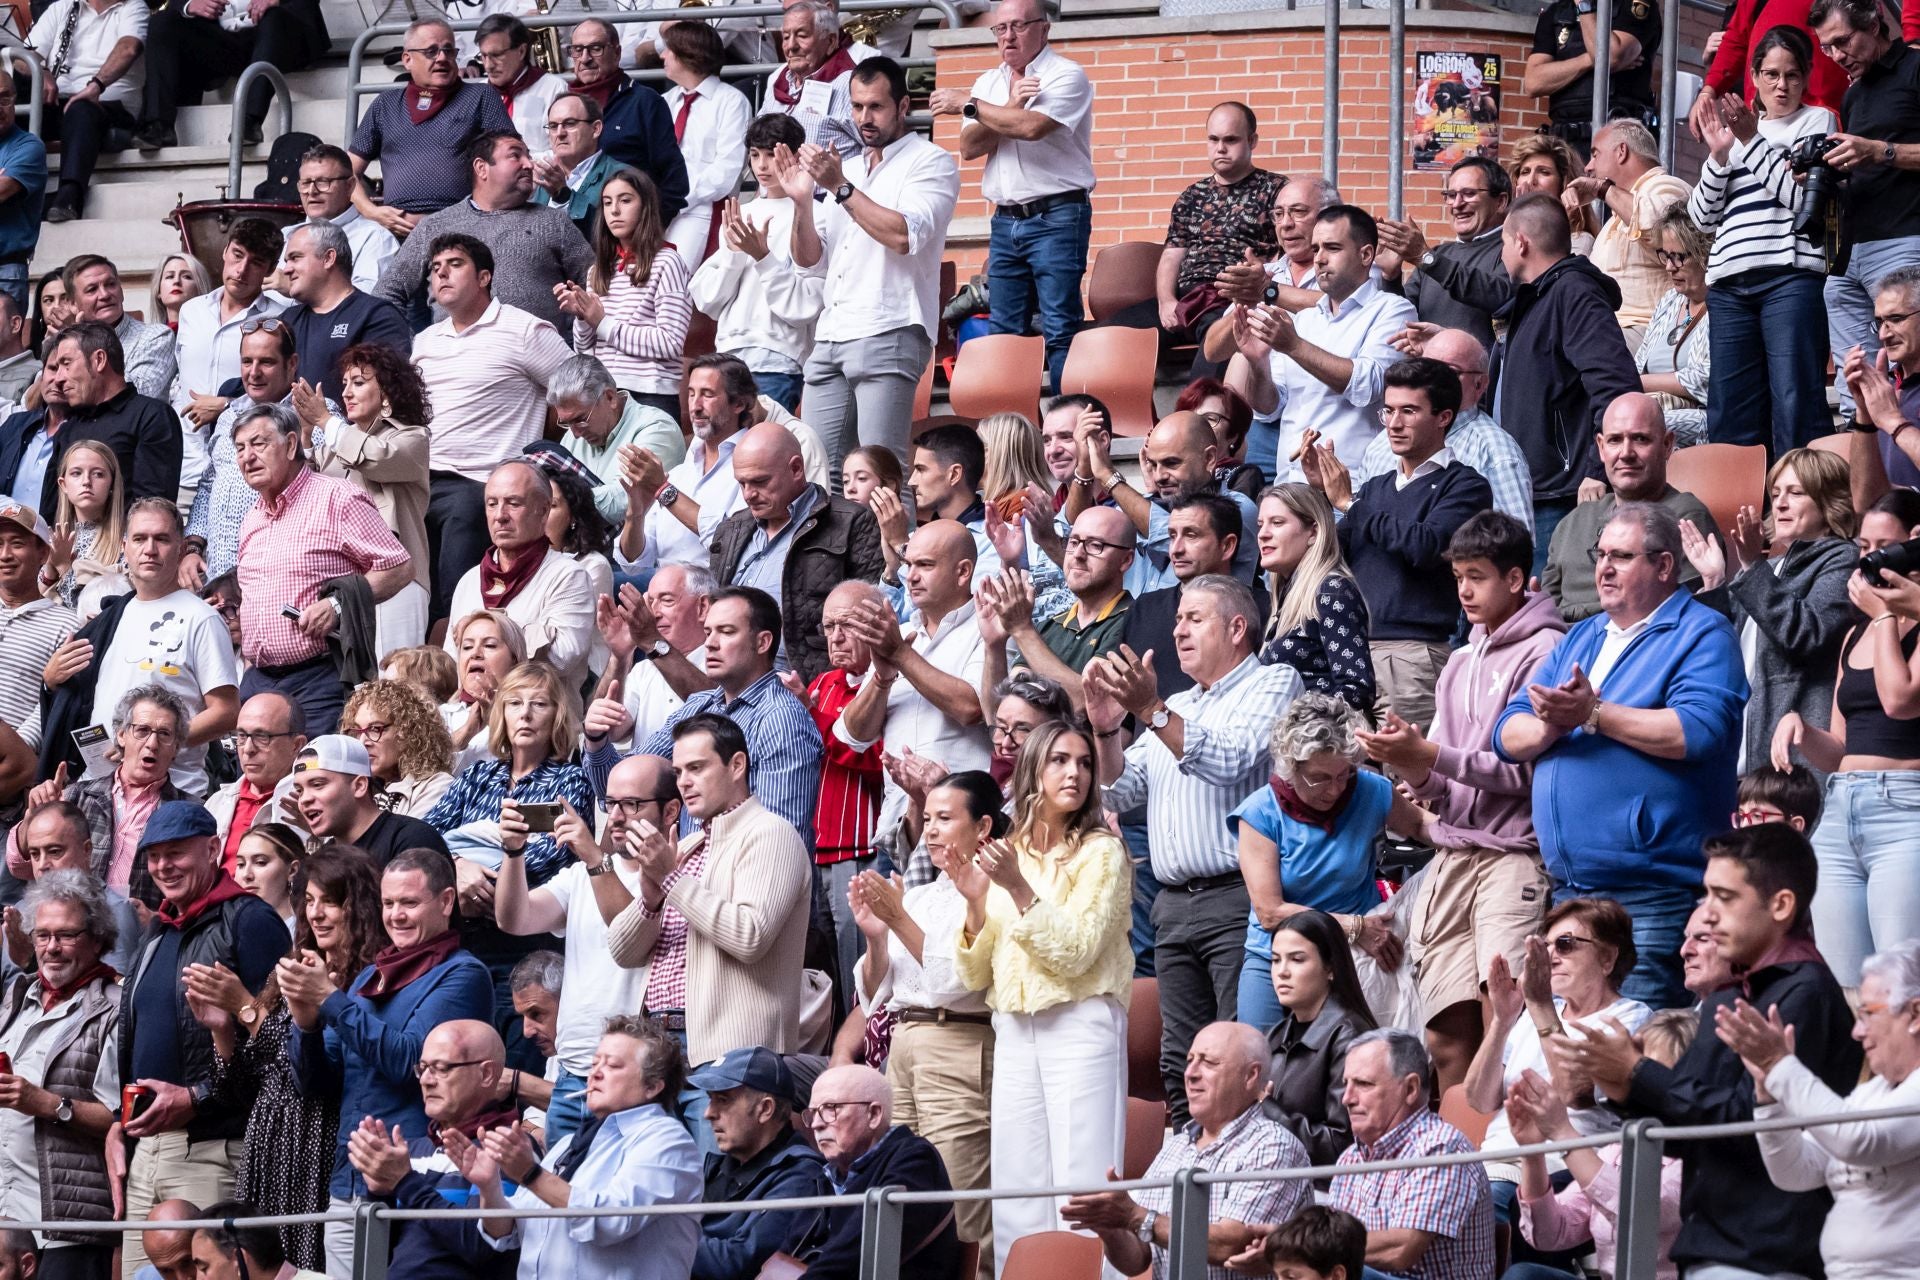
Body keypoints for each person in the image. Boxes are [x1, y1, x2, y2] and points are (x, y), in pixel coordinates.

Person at [1551, 824, 1863, 1280]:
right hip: (1708, 1246)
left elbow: (1753, 1129)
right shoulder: (1727, 995)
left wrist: (1638, 1074)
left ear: (1781, 905)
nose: (1708, 915)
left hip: (1767, 1254)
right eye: (1707, 895)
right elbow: (1686, 1128)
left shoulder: (1806, 991)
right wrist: (1621, 1085)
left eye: (1725, 897)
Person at [1497, 503, 1745, 1007]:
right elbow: (1508, 732)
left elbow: (1697, 731)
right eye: (1601, 555)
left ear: (1664, 565)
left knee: (1635, 1046)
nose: (1604, 569)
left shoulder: (1703, 632)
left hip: (1651, 895)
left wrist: (1592, 714)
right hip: (1570, 894)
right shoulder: (1584, 635)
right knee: (1570, 1044)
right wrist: (1555, 723)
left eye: (1622, 557)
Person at [1356, 511, 1562, 1087]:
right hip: (1452, 858)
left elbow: (1529, 775)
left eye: (1477, 577)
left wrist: (1430, 755)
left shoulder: (1547, 650)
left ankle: (1508, 1139)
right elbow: (1441, 791)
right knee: (1444, 1035)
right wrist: (1408, 762)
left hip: (1512, 856)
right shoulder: (1459, 661)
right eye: (1458, 578)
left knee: (1506, 1015)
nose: (1464, 591)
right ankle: (1457, 1137)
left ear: (1516, 578)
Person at [1087, 574, 1300, 1118]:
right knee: (1182, 1061)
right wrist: (1106, 731)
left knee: (1240, 1053)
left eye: (1194, 619)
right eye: (1178, 619)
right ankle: (1188, 1164)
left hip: (1240, 899)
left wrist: (1152, 712)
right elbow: (1119, 791)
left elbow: (1229, 760)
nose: (1178, 630)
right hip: (1171, 904)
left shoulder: (1274, 682)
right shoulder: (1178, 703)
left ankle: (1247, 1163)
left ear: (1237, 628)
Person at [951, 718, 1132, 1273]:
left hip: (1081, 1021)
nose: (1075, 772)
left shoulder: (1102, 853)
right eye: (1059, 760)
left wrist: (1016, 888)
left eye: (1084, 763)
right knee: (1017, 1187)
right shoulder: (1007, 851)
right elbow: (975, 974)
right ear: (1032, 770)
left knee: (1082, 1181)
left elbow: (1076, 951)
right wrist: (975, 906)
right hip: (1012, 1026)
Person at [286, 845, 492, 1275]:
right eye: (388, 903)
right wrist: (305, 1024)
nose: (396, 916)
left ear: (446, 902)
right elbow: (317, 1085)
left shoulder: (463, 973)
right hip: (349, 1177)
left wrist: (330, 1000)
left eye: (409, 903)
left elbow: (411, 1063)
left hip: (416, 1180)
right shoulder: (370, 975)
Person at [184, 845, 385, 1274]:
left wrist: (246, 1009)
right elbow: (244, 1089)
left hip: (317, 1142)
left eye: (331, 901)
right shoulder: (290, 968)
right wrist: (222, 1030)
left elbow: (310, 1073)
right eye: (309, 901)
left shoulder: (371, 976)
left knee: (305, 1269)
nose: (317, 914)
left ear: (361, 906)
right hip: (267, 1142)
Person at [117, 801, 287, 1278]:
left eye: (176, 853)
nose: (163, 866)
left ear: (213, 849)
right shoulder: (159, 927)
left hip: (213, 1146)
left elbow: (279, 1044)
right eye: (154, 856)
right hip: (148, 1147)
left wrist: (199, 1095)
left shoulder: (250, 920)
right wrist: (117, 1120)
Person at [779, 56, 960, 473]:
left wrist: (839, 187)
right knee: (820, 474)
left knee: (882, 472)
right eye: (857, 106)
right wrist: (802, 203)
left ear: (903, 106)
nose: (864, 118)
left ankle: (895, 524)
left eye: (876, 106)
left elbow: (903, 236)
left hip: (889, 326)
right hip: (831, 332)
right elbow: (810, 260)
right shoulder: (849, 168)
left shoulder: (930, 160)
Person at [605, 713, 813, 1074]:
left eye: (697, 768)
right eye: (678, 772)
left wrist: (671, 879)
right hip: (658, 1044)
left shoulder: (770, 833)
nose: (684, 782)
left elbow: (750, 937)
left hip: (731, 1049)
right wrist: (651, 901)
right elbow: (623, 953)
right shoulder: (687, 846)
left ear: (737, 765)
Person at [1772, 490, 1920, 986]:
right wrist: (1801, 729)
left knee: (1901, 984)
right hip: (1841, 810)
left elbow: (1900, 700)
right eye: (1863, 547)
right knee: (1844, 989)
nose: (1870, 560)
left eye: (1884, 547)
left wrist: (1885, 615)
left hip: (1905, 810)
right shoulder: (1856, 634)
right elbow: (1839, 749)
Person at [850, 769, 998, 1253]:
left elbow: (955, 981)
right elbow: (875, 992)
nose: (931, 830)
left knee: (958, 1198)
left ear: (983, 827)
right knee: (898, 1192)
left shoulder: (993, 891)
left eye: (945, 819)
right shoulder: (918, 894)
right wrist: (876, 937)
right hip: (904, 1042)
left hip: (957, 1040)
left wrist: (896, 918)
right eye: (928, 819)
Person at [492, 751, 671, 1147]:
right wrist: (513, 853)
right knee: (559, 1184)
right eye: (610, 803)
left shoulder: (674, 875)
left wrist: (594, 856)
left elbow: (633, 935)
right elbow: (514, 919)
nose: (617, 816)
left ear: (671, 810)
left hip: (634, 1075)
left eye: (632, 804)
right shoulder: (578, 876)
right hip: (572, 1076)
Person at [423, 659, 593, 1062]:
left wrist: (478, 870)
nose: (526, 714)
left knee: (513, 1058)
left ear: (557, 715)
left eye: (539, 704)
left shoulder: (569, 780)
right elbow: (424, 839)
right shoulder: (477, 776)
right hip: (460, 940)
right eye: (515, 703)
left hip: (521, 942)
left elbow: (544, 858)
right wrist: (457, 865)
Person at [1460, 901, 1651, 1252]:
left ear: (1607, 959)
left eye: (1565, 944)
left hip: (1561, 1172)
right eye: (1545, 946)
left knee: (1463, 1215)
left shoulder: (1631, 1018)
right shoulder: (1534, 1013)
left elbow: (1574, 1093)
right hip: (1491, 1164)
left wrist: (1539, 1005)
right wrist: (1503, 1019)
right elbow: (1478, 1099)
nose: (1550, 957)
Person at [1724, 939, 1920, 1280]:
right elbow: (1795, 1172)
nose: (1857, 1032)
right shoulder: (1871, 1092)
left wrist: (1780, 1065)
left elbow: (1859, 1141)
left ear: (1915, 1015)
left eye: (1868, 1014)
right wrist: (1770, 1099)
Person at [1230, 692, 1427, 1031]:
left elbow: (1421, 825)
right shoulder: (1261, 812)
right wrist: (1353, 927)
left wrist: (1481, 834)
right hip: (1279, 953)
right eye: (1320, 777)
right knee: (1257, 1050)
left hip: (1353, 955)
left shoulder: (1368, 789)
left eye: (1343, 774)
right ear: (1292, 768)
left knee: (1354, 1050)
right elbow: (1270, 912)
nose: (1334, 789)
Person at [928, 0, 1093, 393]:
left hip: (1057, 215)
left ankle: (1067, 418)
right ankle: (1009, 421)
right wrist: (1007, 105)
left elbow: (1031, 127)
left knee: (1059, 327)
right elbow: (970, 146)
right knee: (1003, 329)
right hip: (1006, 219)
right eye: (1000, 29)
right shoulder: (989, 82)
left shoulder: (1066, 75)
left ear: (1044, 29)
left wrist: (970, 105)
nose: (1008, 36)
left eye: (1018, 26)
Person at [1062, 1021, 1310, 1280]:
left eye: (1208, 1063)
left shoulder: (1272, 1145)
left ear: (1250, 1076)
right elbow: (1137, 1260)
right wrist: (1111, 1226)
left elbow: (1231, 1244)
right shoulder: (1176, 1146)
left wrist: (1136, 1216)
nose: (1190, 1073)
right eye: (1190, 1060)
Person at [1688, 25, 1837, 454]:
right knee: (1729, 410)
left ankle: (1803, 492)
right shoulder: (1733, 137)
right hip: (1729, 285)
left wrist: (1751, 140)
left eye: (1792, 75)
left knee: (1795, 401)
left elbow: (1801, 200)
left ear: (1806, 77)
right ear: (1754, 76)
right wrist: (1719, 157)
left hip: (1790, 277)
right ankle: (1738, 497)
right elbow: (1701, 218)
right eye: (1771, 74)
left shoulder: (1817, 120)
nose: (1781, 85)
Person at [411, 235, 572, 626]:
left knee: (453, 605)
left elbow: (580, 390)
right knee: (409, 597)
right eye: (435, 268)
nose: (442, 274)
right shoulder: (424, 341)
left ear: (484, 277)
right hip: (420, 481)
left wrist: (546, 443)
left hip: (483, 483)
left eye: (455, 264)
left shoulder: (525, 330)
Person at [463, 1014, 701, 1279]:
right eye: (594, 1063)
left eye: (613, 1065)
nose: (594, 1074)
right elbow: (507, 1233)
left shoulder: (668, 1141)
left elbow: (610, 1222)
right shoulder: (570, 1143)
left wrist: (530, 1173)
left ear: (653, 1086)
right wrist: (489, 1186)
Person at [230, 403, 413, 737]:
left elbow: (399, 567)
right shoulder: (252, 518)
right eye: (240, 448)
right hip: (257, 679)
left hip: (318, 679)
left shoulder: (337, 498)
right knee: (254, 771)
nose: (247, 457)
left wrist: (336, 605)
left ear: (290, 445)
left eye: (258, 444)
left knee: (315, 769)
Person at [1330, 357, 1492, 730]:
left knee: (1405, 768)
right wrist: (1319, 497)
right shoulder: (1375, 488)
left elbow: (1427, 545)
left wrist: (1350, 504)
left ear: (1444, 417)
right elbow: (1330, 555)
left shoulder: (1465, 486)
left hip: (1413, 654)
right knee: (1342, 768)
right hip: (1351, 652)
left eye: (1409, 411)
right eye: (1388, 410)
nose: (1394, 423)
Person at [1682, 446, 1857, 772]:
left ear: (1830, 501)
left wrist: (1752, 566)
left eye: (1796, 493)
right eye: (1775, 494)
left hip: (1796, 749)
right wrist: (1714, 582)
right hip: (1744, 741)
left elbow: (1807, 636)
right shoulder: (1770, 566)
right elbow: (1723, 649)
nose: (1780, 503)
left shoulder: (1843, 558)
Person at [1491, 195, 1640, 569]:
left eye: (1503, 242)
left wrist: (1597, 468)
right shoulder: (1535, 297)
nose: (1500, 253)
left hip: (1565, 495)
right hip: (1531, 490)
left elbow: (1617, 388)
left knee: (1556, 601)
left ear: (1521, 242)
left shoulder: (1574, 293)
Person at [1226, 204, 1417, 482]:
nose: (1319, 259)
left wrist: (1293, 346)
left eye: (1333, 248)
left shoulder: (1393, 310)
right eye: (1316, 249)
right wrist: (1258, 364)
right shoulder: (1304, 320)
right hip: (1290, 483)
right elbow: (1268, 410)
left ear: (1366, 255)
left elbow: (1368, 386)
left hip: (1353, 484)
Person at [1506, 1011, 1695, 1280]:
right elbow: (1550, 1234)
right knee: (1523, 1275)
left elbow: (1638, 1211)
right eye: (1633, 1074)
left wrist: (1561, 1132)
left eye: (1651, 1077)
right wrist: (1532, 1151)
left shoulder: (1702, 1160)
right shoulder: (1616, 1152)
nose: (1638, 1088)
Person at [0, 869, 121, 1280]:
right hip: (7, 1217)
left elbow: (121, 1120)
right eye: (42, 935)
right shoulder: (18, 997)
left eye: (66, 935)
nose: (52, 947)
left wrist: (45, 1103)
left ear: (97, 939)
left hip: (67, 1225)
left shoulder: (114, 1008)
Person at [1107, 102, 1284, 378]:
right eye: (1213, 139)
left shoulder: (1275, 190)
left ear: (1252, 141)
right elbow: (1171, 255)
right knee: (1107, 338)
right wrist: (1166, 301)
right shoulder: (1192, 195)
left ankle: (1201, 407)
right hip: (1185, 298)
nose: (1220, 148)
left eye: (1231, 140)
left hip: (1231, 299)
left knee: (1210, 366)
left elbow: (1287, 254)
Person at [1809, 0, 1920, 421]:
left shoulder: (1914, 69)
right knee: (1854, 385)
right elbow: (1865, 166)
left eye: (1843, 41)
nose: (1837, 55)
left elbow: (1879, 154)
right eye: (1827, 48)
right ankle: (1861, 455)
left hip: (1904, 240)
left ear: (1874, 24)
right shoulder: (1853, 94)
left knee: (1909, 372)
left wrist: (1880, 151)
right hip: (1849, 255)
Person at [344, 1017, 520, 1280]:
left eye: (441, 1068)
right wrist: (380, 1193)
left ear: (486, 1074)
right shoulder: (412, 1149)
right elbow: (385, 1254)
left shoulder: (510, 1148)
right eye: (423, 1068)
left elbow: (483, 1247)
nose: (426, 1080)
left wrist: (404, 1182)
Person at [709, 422, 884, 683]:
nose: (748, 494)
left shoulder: (852, 522)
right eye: (742, 483)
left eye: (759, 481)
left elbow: (870, 617)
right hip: (729, 683)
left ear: (796, 468)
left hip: (808, 684)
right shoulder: (732, 528)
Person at [377, 131, 595, 338]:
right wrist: (413, 347)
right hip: (453, 356)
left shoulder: (554, 222)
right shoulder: (435, 226)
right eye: (515, 156)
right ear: (481, 168)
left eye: (528, 157)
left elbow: (597, 285)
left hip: (540, 358)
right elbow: (387, 293)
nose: (529, 165)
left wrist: (571, 343)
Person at [1327, 1029, 1495, 1280]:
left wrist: (1310, 1249)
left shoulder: (1441, 1150)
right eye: (1346, 1084)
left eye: (1363, 1084)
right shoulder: (1351, 1157)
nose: (1347, 1099)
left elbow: (1401, 1249)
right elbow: (1331, 1240)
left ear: (1410, 1089)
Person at [300, 340, 432, 655]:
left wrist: (325, 421)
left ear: (386, 393)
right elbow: (303, 487)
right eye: (345, 384)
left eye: (358, 383)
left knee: (396, 676)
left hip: (397, 579)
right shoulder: (335, 445)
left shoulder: (412, 437)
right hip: (343, 583)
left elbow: (376, 457)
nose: (346, 393)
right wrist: (305, 434)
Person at [1542, 393, 1721, 622]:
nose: (1626, 453)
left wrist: (1574, 619)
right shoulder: (1574, 521)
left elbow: (1676, 615)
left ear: (1667, 445)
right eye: (1615, 440)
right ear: (1601, 447)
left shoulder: (1685, 519)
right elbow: (1545, 610)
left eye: (1640, 439)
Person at [689, 114, 821, 414]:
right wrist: (735, 254)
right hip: (728, 356)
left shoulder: (814, 215)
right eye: (755, 154)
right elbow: (709, 300)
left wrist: (762, 256)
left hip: (779, 357)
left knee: (765, 439)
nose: (762, 165)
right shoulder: (741, 213)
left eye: (772, 154)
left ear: (796, 155)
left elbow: (804, 306)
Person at [25, 684, 191, 907]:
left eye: (164, 734)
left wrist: (157, 918)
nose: (152, 744)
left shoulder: (188, 811)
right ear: (121, 735)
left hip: (143, 925)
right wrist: (35, 817)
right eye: (142, 731)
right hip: (76, 920)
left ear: (176, 747)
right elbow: (19, 865)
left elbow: (196, 891)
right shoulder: (77, 796)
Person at [347, 19, 516, 238]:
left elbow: (511, 157)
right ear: (407, 59)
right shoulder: (385, 104)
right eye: (431, 51)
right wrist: (372, 212)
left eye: (449, 50)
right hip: (396, 233)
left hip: (465, 231)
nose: (442, 58)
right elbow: (347, 171)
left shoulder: (481, 97)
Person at [1351, 329, 1533, 532]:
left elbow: (1516, 544)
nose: (1434, 381)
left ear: (1480, 384)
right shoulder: (1381, 443)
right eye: (1425, 368)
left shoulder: (1496, 451)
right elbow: (1356, 526)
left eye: (1450, 372)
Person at [792, 1064, 961, 1280]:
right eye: (813, 1113)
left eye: (830, 1109)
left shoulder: (915, 1161)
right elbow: (791, 1248)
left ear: (873, 1114)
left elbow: (858, 1251)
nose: (816, 1124)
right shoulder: (827, 1175)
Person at [442, 460, 598, 688]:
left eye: (513, 503)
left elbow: (562, 658)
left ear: (543, 511)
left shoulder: (568, 576)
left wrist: (481, 631)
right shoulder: (470, 580)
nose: (500, 516)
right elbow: (452, 665)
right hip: (470, 709)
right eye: (492, 504)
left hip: (536, 708)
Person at [184, 320, 317, 583]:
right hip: (217, 577)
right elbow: (209, 485)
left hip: (277, 576)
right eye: (247, 361)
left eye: (266, 362)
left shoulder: (313, 414)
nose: (254, 372)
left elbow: (321, 482)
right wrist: (193, 547)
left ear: (291, 364)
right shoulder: (227, 416)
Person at [557, 167, 692, 422]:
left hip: (651, 395)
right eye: (607, 203)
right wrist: (583, 317)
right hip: (605, 394)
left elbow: (670, 342)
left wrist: (602, 323)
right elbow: (585, 351)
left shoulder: (667, 262)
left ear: (646, 207)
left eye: (625, 200)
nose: (614, 211)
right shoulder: (598, 270)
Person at [687, 1046, 830, 1280]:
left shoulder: (801, 1175)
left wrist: (666, 1238)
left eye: (723, 1100)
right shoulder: (719, 1166)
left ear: (765, 1109)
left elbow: (740, 1262)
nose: (709, 1113)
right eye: (710, 1100)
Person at [977, 507, 1137, 711]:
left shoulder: (1135, 621)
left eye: (1095, 545)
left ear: (1126, 560)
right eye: (1073, 542)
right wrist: (994, 646)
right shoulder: (1048, 627)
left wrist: (1022, 630)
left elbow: (1091, 706)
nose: (1078, 554)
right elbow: (998, 715)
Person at [613, 352, 752, 574]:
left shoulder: (753, 466)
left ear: (739, 403)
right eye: (691, 393)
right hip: (662, 589)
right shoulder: (679, 474)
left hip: (718, 591)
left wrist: (663, 489)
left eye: (707, 395)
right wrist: (635, 514)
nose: (695, 406)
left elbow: (731, 540)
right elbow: (633, 563)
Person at [1260, 909, 1377, 1165]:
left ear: (1330, 968)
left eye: (1297, 959)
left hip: (1323, 1184)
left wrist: (1267, 1109)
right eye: (1276, 960)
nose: (1282, 972)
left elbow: (1343, 1145)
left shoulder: (1351, 1037)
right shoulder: (1274, 1036)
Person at [23, 0, 147, 223]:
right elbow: (23, 58)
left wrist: (96, 86)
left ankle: (69, 197)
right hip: (58, 101)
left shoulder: (134, 7)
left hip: (109, 106)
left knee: (80, 109)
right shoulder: (62, 7)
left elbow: (129, 48)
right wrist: (41, 71)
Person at [1255, 482, 1374, 710]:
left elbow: (1355, 690)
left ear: (1314, 532)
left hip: (1316, 732)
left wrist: (1302, 723)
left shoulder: (1331, 590)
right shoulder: (1289, 592)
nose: (1263, 534)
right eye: (1260, 525)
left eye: (1277, 523)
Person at [39, 322, 181, 511]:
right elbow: (50, 511)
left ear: (99, 360)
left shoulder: (151, 416)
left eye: (66, 364)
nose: (58, 378)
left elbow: (153, 510)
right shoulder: (68, 428)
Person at [562, 18, 691, 221]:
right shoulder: (562, 105)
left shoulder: (645, 102)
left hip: (632, 224)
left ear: (617, 53)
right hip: (572, 221)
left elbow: (673, 179)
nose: (585, 58)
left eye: (595, 49)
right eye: (578, 50)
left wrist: (648, 227)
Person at [1378, 157, 1512, 351]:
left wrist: (1426, 258)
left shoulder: (1512, 250)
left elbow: (1499, 297)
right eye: (1451, 195)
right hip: (1426, 369)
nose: (1457, 204)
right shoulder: (1438, 254)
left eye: (1469, 194)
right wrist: (1391, 278)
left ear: (1500, 201)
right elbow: (1404, 319)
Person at [168, 221, 288, 436]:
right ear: (225, 251)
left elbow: (283, 393)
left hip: (244, 444)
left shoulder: (279, 319)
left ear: (270, 269)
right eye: (237, 255)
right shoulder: (191, 311)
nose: (241, 270)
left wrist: (228, 405)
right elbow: (183, 379)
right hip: (186, 446)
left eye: (256, 262)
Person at [277, 222, 412, 405]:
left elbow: (389, 392)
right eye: (286, 261)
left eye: (295, 258)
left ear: (328, 258)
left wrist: (329, 421)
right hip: (286, 422)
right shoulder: (287, 320)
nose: (286, 269)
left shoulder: (377, 316)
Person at [657, 21, 751, 277]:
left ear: (688, 54)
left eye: (668, 49)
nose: (662, 55)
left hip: (703, 209)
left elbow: (727, 170)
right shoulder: (665, 102)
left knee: (677, 280)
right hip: (659, 209)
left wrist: (676, 199)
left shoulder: (731, 101)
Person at [548, 355, 682, 527]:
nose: (575, 434)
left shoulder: (657, 427)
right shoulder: (572, 436)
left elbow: (626, 499)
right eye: (566, 423)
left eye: (580, 420)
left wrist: (559, 504)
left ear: (610, 397)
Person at [10, 801, 141, 973]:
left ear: (86, 850)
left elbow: (114, 986)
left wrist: (30, 963)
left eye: (54, 851)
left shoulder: (116, 911)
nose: (42, 865)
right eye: (35, 854)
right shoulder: (18, 914)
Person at [1524, 0, 1661, 155]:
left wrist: (1584, 6)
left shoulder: (1634, 4)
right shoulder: (1556, 13)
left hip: (1619, 139)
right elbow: (1533, 82)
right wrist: (1588, 60)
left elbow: (1609, 58)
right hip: (1565, 143)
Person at [290, 734, 448, 867]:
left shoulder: (412, 840)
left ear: (359, 786)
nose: (304, 799)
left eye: (317, 785)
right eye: (299, 790)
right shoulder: (320, 863)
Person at [1630, 208, 1713, 447]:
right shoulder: (1670, 301)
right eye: (1665, 256)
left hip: (1700, 414)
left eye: (1678, 257)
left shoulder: (1724, 306)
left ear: (1704, 255)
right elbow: (1639, 363)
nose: (1669, 267)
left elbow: (1706, 379)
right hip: (1654, 406)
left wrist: (1640, 383)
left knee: (1635, 427)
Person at [1845, 268, 1920, 511]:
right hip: (1895, 531)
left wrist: (1894, 422)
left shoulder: (1888, 411)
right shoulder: (1884, 392)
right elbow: (1865, 504)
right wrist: (1864, 415)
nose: (1883, 334)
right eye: (1880, 322)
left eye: (1896, 319)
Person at [204, 692, 305, 868]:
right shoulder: (216, 804)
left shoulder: (309, 807)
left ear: (296, 745)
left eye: (262, 737)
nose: (248, 749)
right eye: (242, 736)